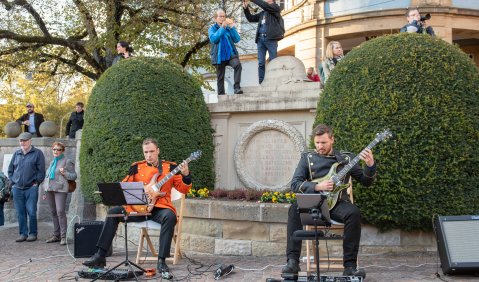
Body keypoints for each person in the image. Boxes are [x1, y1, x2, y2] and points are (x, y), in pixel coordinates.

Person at [83, 138, 192, 277]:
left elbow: (183, 189)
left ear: (158, 151)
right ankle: (100, 255)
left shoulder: (170, 167)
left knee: (170, 216)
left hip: (160, 208)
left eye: (152, 151)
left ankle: (162, 261)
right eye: (146, 152)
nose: (149, 155)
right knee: (113, 213)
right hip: (138, 209)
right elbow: (124, 186)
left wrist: (186, 175)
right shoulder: (136, 167)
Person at [282, 124, 377, 278]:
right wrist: (317, 186)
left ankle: (350, 266)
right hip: (315, 205)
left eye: (324, 143)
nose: (319, 146)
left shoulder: (347, 159)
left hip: (338, 205)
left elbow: (366, 182)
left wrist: (370, 165)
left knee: (354, 213)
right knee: (294, 208)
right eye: (317, 143)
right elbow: (295, 185)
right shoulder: (307, 158)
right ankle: (292, 262)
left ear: (332, 139)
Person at [8, 132, 46, 242]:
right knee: (20, 213)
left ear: (30, 141)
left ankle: (33, 233)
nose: (22, 142)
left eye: (24, 140)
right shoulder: (16, 154)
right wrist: (13, 182)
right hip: (17, 188)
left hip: (31, 188)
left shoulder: (38, 153)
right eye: (21, 141)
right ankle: (23, 234)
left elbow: (41, 172)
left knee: (32, 211)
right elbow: (10, 170)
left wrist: (36, 183)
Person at [42, 142, 77, 245]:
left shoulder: (67, 161)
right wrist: (45, 190)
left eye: (58, 149)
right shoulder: (52, 162)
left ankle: (63, 236)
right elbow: (48, 177)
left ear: (62, 151)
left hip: (61, 189)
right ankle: (56, 235)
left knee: (60, 212)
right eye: (54, 149)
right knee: (53, 212)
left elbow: (74, 176)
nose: (56, 151)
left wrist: (64, 173)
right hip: (49, 190)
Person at [243, 0, 285, 84]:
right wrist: (245, 8)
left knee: (273, 61)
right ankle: (261, 82)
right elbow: (250, 18)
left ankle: (274, 81)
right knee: (261, 63)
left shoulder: (275, 8)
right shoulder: (263, 13)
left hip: (271, 39)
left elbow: (265, 5)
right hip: (260, 40)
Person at [208, 9, 243, 95]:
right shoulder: (212, 29)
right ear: (216, 18)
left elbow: (237, 39)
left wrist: (232, 28)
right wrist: (222, 27)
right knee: (220, 77)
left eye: (224, 16)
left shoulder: (228, 28)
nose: (223, 18)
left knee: (238, 65)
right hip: (219, 56)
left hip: (230, 54)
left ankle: (237, 88)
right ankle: (221, 95)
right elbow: (213, 39)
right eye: (220, 16)